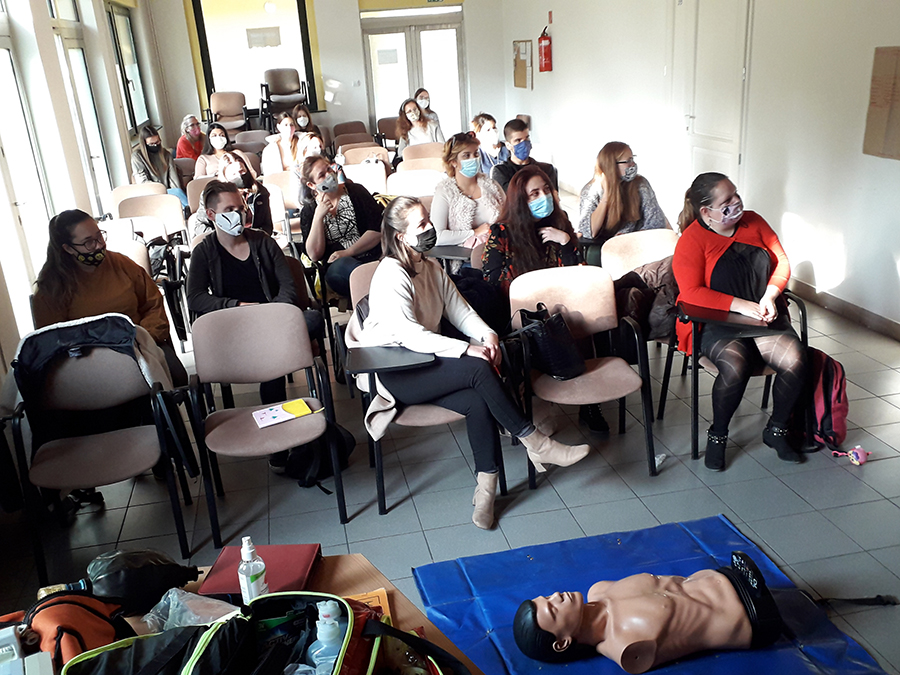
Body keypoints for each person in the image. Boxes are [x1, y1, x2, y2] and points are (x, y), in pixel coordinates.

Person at [346, 196, 590, 529]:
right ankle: (536, 442)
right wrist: (466, 349)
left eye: (428, 219)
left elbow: (460, 310)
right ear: (401, 236)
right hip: (395, 372)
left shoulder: (430, 266)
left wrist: (487, 335)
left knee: (478, 399)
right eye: (421, 224)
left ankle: (486, 490)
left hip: (424, 361)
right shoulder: (391, 274)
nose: (430, 227)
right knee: (477, 367)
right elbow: (412, 336)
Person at [672, 172, 807, 471]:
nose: (736, 202)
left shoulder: (754, 222)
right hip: (716, 320)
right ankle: (718, 435)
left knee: (796, 359)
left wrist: (770, 295)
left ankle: (777, 430)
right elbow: (691, 292)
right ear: (706, 211)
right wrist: (742, 306)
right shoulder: (692, 240)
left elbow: (781, 262)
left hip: (762, 314)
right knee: (735, 366)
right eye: (727, 201)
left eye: (735, 194)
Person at [187, 180, 316, 473]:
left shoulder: (263, 242)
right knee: (273, 357)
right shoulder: (204, 251)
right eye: (229, 209)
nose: (239, 214)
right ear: (211, 215)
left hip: (272, 320)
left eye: (241, 207)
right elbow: (195, 297)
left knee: (308, 324)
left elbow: (288, 288)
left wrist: (271, 314)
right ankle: (275, 439)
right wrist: (236, 306)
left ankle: (278, 441)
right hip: (234, 329)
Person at [482, 166, 608, 434]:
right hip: (522, 315)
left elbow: (577, 274)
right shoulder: (502, 232)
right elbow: (492, 281)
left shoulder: (560, 223)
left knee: (584, 323)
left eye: (546, 190)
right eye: (534, 194)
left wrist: (566, 242)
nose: (544, 197)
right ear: (521, 200)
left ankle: (589, 404)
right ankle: (534, 398)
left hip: (562, 308)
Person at [513, 551, 784, 674]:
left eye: (547, 597)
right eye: (553, 608)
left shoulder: (599, 589)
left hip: (726, 574)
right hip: (752, 616)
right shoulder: (625, 647)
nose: (557, 596)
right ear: (562, 643)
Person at [32, 209, 187, 387]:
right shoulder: (51, 288)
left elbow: (153, 304)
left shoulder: (122, 264)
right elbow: (53, 340)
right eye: (88, 242)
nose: (99, 245)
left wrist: (143, 338)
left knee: (177, 376)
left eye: (99, 236)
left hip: (140, 345)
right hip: (88, 361)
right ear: (68, 248)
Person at [299, 155, 383, 297]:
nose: (329, 175)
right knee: (345, 268)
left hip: (371, 254)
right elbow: (314, 255)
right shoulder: (309, 211)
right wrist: (318, 217)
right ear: (311, 185)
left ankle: (372, 295)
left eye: (329, 169)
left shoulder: (356, 192)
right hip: (338, 265)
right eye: (322, 175)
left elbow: (377, 231)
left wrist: (349, 252)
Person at [577, 142, 668, 246]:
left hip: (637, 243)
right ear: (612, 165)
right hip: (605, 246)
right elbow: (589, 232)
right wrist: (606, 197)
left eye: (632, 159)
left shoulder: (641, 184)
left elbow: (656, 222)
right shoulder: (591, 190)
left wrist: (628, 238)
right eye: (628, 161)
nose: (633, 165)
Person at [431, 132, 505, 257]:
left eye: (476, 154)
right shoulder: (444, 191)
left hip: (499, 250)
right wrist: (474, 232)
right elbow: (438, 236)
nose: (473, 159)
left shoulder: (492, 185)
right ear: (453, 162)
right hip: (464, 258)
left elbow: (509, 216)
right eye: (466, 155)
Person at [191, 152, 273, 236]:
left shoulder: (260, 192)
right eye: (234, 174)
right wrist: (221, 238)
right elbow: (201, 226)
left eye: (242, 171)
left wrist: (255, 239)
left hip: (253, 239)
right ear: (225, 176)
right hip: (220, 240)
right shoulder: (212, 195)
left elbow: (266, 226)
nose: (239, 176)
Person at [490, 118, 558, 194]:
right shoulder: (501, 172)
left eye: (527, 138)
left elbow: (554, 197)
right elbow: (509, 198)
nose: (524, 144)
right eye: (518, 140)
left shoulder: (547, 169)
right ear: (508, 145)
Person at [131, 124, 188, 208]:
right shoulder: (137, 157)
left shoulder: (166, 155)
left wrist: (175, 197)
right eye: (151, 144)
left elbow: (174, 181)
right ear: (144, 144)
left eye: (157, 142)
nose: (155, 146)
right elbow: (142, 182)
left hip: (169, 192)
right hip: (151, 194)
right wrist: (161, 191)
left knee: (180, 198)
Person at [394, 99, 444, 164]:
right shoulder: (405, 132)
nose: (413, 112)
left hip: (433, 162)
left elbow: (442, 146)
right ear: (405, 115)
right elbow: (401, 152)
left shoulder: (433, 126)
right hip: (414, 164)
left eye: (415, 109)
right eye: (409, 111)